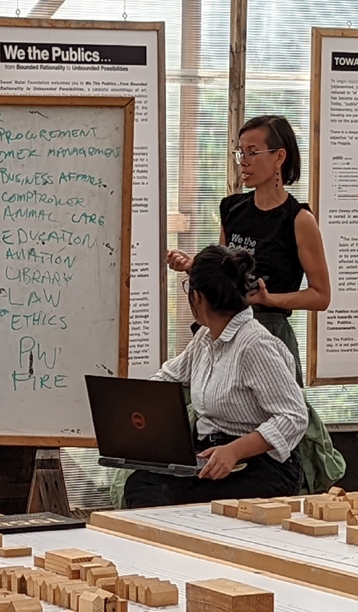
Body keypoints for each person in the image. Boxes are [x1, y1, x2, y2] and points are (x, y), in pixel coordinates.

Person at [161, 114, 344, 492]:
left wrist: (268, 298)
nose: (243, 161)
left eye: (252, 152)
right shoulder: (232, 208)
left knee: (280, 424)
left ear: (279, 158)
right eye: (239, 152)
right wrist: (196, 266)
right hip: (224, 324)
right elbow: (225, 271)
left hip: (268, 328)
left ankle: (284, 489)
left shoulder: (298, 219)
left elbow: (321, 295)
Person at [120, 244, 309, 507]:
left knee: (165, 496)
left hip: (258, 463)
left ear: (197, 297)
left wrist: (234, 451)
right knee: (143, 483)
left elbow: (294, 417)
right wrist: (125, 405)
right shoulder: (205, 338)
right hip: (209, 454)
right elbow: (168, 378)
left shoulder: (254, 345)